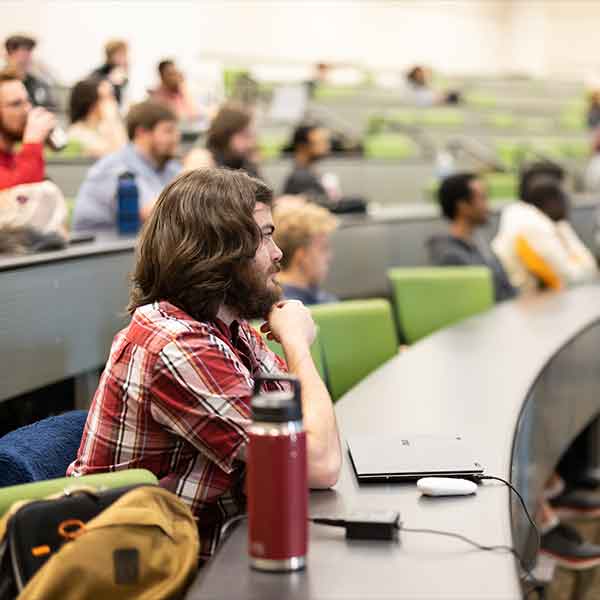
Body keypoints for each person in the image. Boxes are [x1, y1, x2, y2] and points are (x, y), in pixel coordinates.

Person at [67, 168, 342, 560]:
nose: (278, 253)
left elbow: (312, 437)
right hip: (148, 569)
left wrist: (288, 453)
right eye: (264, 236)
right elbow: (318, 462)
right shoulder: (176, 345)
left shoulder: (229, 328)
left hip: (209, 544)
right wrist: (297, 343)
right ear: (218, 250)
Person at [72, 101, 180, 231]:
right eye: (168, 131)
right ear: (142, 133)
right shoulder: (114, 167)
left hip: (134, 245)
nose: (176, 137)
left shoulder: (168, 165)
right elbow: (152, 215)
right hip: (98, 247)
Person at [493, 176, 597, 293]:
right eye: (564, 198)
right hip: (527, 299)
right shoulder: (533, 224)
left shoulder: (528, 215)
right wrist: (564, 228)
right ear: (551, 201)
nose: (568, 204)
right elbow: (573, 276)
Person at [427, 172, 517, 302]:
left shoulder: (478, 243)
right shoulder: (449, 257)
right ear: (463, 206)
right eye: (483, 198)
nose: (488, 206)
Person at [273, 199, 338, 305]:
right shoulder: (281, 308)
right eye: (323, 248)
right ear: (302, 255)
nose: (329, 257)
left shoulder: (322, 299)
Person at [0, 67, 55, 190]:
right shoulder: (29, 151)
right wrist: (32, 143)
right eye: (16, 104)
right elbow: (22, 200)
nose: (27, 110)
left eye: (28, 101)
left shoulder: (15, 158)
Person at [183, 103, 260, 177]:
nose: (251, 143)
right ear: (226, 133)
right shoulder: (202, 159)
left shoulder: (241, 160)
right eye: (245, 135)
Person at [67, 77, 127, 158]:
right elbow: (122, 156)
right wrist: (112, 119)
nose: (113, 102)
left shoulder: (105, 128)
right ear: (91, 104)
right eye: (107, 97)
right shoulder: (76, 135)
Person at [281, 125, 334, 201]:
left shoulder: (309, 173)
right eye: (321, 142)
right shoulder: (301, 178)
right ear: (302, 146)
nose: (327, 146)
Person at [4, 34, 56, 110]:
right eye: (23, 51)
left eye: (29, 51)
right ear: (9, 54)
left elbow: (50, 108)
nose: (28, 56)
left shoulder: (38, 84)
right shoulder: (3, 82)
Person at [91, 39, 129, 107]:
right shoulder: (99, 73)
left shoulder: (121, 73)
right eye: (120, 54)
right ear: (110, 55)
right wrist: (111, 81)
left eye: (125, 54)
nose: (124, 58)